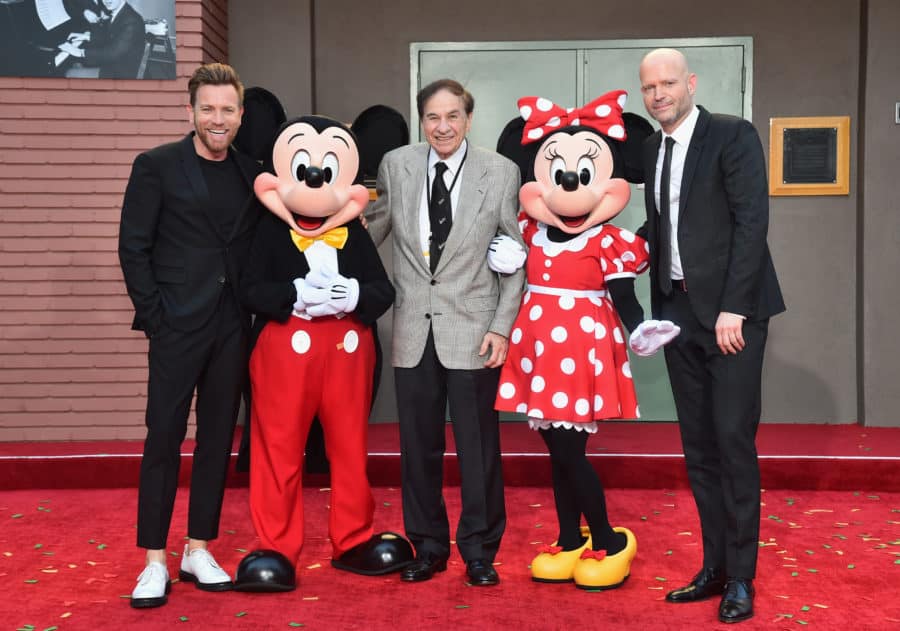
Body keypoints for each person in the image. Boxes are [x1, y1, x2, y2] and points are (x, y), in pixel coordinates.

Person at [637, 48, 785, 623]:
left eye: (669, 83)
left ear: (691, 83)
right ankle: (714, 567)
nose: (659, 95)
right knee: (697, 449)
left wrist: (733, 309)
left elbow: (752, 222)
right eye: (650, 87)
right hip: (677, 316)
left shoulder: (732, 135)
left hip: (731, 320)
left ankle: (742, 579)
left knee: (731, 442)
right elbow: (664, 226)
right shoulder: (652, 148)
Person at [365, 78, 525, 586]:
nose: (443, 127)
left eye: (453, 116)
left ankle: (479, 551)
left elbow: (515, 260)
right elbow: (371, 230)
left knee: (479, 450)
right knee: (418, 449)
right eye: (433, 117)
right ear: (421, 120)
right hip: (413, 329)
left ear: (468, 118)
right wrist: (314, 236)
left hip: (475, 331)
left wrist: (502, 326)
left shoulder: (500, 172)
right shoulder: (398, 165)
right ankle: (428, 547)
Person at [118, 63, 262, 609]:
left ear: (240, 115)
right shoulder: (156, 165)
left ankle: (197, 547)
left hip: (232, 326)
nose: (218, 118)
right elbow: (134, 246)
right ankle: (154, 558)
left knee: (217, 441)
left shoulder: (252, 172)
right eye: (208, 109)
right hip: (176, 325)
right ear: (191, 111)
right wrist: (157, 317)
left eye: (228, 109)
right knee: (163, 440)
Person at [58, 0, 145, 79]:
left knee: (69, 73)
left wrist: (80, 52)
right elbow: (111, 37)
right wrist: (88, 37)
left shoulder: (132, 21)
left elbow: (112, 53)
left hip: (119, 74)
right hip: (114, 64)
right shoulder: (121, 12)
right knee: (76, 64)